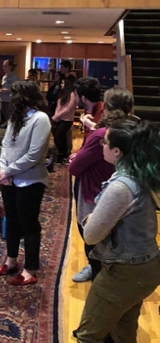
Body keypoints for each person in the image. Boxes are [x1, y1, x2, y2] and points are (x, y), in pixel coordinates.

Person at [74, 119, 160, 343]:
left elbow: (91, 234)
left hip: (125, 270)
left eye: (105, 142)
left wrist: (91, 216)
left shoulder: (121, 187)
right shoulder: (142, 175)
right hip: (146, 266)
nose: (101, 145)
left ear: (117, 151)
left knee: (88, 335)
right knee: (124, 330)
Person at [69, 87, 135, 283]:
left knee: (91, 235)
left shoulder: (102, 135)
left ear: (106, 107)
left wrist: (80, 156)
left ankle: (99, 274)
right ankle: (101, 270)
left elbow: (75, 167)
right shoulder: (133, 130)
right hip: (121, 192)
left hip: (95, 190)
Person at [0, 80, 52, 285]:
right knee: (11, 220)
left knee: (29, 225)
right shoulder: (15, 118)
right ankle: (11, 261)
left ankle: (30, 269)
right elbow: (5, 146)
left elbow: (34, 154)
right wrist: (4, 171)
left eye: (15, 95)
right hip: (10, 180)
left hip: (30, 181)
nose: (12, 99)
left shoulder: (40, 119)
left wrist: (9, 170)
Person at [51, 80, 78, 164]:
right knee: (59, 138)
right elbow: (58, 106)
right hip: (59, 119)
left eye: (63, 83)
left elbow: (68, 108)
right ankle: (61, 155)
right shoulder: (61, 94)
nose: (61, 84)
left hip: (67, 120)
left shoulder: (72, 94)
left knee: (59, 136)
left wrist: (57, 116)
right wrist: (56, 116)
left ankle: (64, 155)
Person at [75, 77, 104, 145]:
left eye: (75, 95)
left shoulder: (102, 116)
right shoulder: (89, 111)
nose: (74, 98)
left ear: (83, 98)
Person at [0, 59, 19, 125]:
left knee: (10, 119)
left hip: (10, 101)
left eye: (5, 66)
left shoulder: (14, 77)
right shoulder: (4, 77)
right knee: (4, 119)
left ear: (10, 67)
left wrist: (7, 90)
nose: (3, 68)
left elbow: (17, 89)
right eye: (3, 66)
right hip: (3, 100)